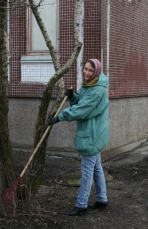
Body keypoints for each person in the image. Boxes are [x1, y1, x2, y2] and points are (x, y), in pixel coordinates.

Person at [49, 58, 110, 216]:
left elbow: (83, 109)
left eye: (90, 70)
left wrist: (60, 117)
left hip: (92, 134)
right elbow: (80, 102)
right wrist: (72, 97)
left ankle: (81, 204)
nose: (87, 72)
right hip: (93, 132)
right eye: (85, 69)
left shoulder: (98, 90)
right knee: (96, 168)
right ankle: (101, 199)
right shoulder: (89, 86)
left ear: (96, 72)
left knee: (87, 170)